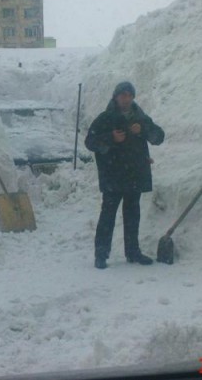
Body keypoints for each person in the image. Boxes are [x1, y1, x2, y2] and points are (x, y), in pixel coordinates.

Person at [84, 81, 165, 269]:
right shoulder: (105, 118)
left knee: (132, 215)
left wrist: (143, 130)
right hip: (113, 175)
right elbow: (90, 142)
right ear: (116, 96)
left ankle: (133, 252)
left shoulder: (140, 117)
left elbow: (159, 136)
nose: (126, 99)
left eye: (129, 95)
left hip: (134, 175)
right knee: (108, 216)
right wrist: (110, 138)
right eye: (123, 95)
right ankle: (101, 255)